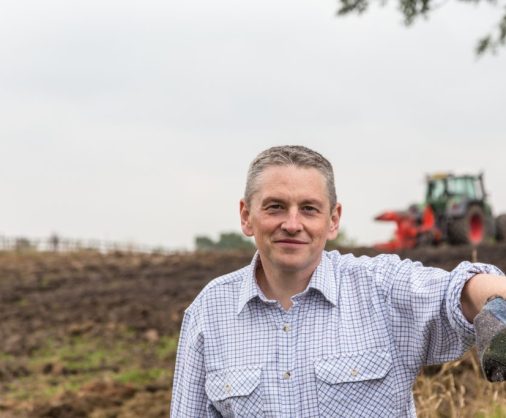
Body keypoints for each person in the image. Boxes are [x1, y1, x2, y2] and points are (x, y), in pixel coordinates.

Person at [171, 145, 506, 417]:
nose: (292, 223)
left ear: (333, 220)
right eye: (275, 207)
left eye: (309, 209)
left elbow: (460, 290)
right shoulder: (209, 312)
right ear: (246, 216)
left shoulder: (380, 289)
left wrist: (496, 306)